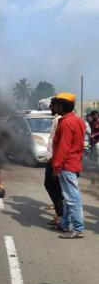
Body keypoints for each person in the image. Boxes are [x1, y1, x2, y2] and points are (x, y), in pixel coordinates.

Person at [52, 92, 86, 239]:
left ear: (61, 106)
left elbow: (63, 147)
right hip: (74, 162)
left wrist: (56, 166)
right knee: (69, 198)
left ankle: (77, 229)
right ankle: (66, 224)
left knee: (72, 199)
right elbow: (80, 145)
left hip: (67, 165)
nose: (55, 107)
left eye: (57, 104)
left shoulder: (65, 123)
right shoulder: (78, 120)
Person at [44, 97, 63, 226]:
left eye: (52, 106)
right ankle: (60, 214)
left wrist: (55, 163)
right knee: (54, 187)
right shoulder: (57, 119)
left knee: (54, 187)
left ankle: (62, 216)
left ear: (58, 107)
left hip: (55, 159)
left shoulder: (60, 121)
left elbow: (61, 144)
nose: (50, 108)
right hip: (53, 158)